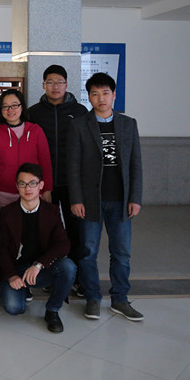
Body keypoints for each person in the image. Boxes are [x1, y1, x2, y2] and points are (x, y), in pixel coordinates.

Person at [68, 72, 144, 322]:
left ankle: (120, 299)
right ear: (89, 97)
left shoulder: (128, 124)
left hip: (121, 200)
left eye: (105, 93)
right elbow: (73, 165)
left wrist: (135, 198)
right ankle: (92, 298)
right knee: (88, 252)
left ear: (114, 95)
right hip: (90, 200)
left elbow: (135, 164)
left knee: (122, 252)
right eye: (95, 94)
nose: (101, 98)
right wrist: (76, 199)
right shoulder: (79, 125)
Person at [27, 65, 88, 295]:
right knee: (47, 232)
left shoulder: (80, 112)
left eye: (59, 82)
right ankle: (50, 276)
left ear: (66, 84)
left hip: (73, 184)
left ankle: (78, 278)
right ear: (43, 85)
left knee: (76, 232)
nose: (55, 86)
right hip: (44, 186)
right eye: (50, 82)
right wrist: (39, 184)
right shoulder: (33, 113)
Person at [0, 163, 76, 333]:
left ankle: (53, 310)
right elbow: (1, 248)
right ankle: (24, 289)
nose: (27, 188)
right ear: (17, 186)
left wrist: (39, 264)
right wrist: (11, 275)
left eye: (32, 183)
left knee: (68, 267)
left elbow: (63, 244)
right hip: (17, 269)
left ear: (41, 185)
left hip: (40, 268)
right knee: (14, 308)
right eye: (22, 184)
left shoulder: (52, 211)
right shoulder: (7, 213)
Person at [0, 88, 53, 209]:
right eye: (5, 106)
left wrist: (47, 190)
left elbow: (45, 162)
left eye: (14, 105)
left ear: (22, 107)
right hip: (3, 194)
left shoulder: (36, 130)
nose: (10, 110)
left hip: (33, 191)